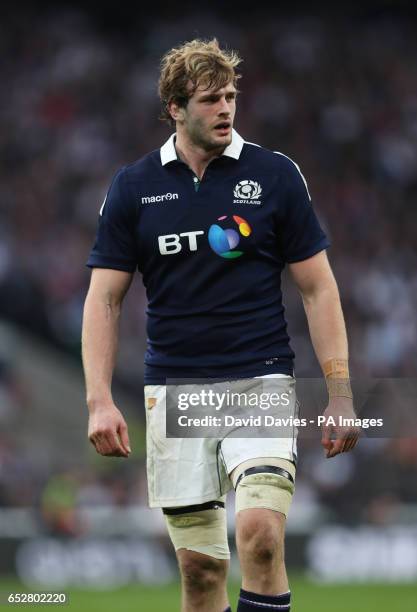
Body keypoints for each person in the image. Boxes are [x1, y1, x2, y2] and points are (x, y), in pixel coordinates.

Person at [82, 38, 360, 612]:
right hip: (176, 392)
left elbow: (318, 287)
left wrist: (340, 393)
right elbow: (104, 300)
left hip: (259, 382)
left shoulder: (275, 175)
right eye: (210, 99)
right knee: (202, 572)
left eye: (231, 95)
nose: (226, 108)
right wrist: (98, 400)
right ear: (175, 109)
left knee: (259, 534)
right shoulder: (133, 187)